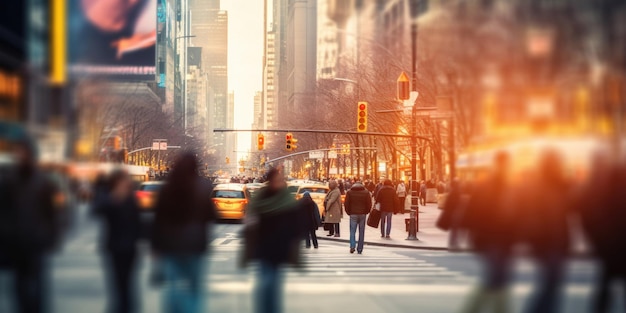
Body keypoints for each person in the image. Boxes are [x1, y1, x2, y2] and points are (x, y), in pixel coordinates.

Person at [152, 153, 218, 313]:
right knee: (194, 286)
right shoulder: (204, 187)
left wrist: (156, 246)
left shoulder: (167, 187)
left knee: (173, 284)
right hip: (195, 243)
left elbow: (158, 219)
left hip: (171, 244)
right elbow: (211, 216)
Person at [2, 139, 62, 313]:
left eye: (22, 152)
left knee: (37, 286)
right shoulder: (9, 181)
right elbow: (4, 211)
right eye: (17, 152)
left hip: (36, 242)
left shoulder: (43, 182)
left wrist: (51, 236)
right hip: (15, 242)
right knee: (19, 287)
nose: (19, 156)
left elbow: (52, 213)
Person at [241, 167, 304, 313]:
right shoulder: (260, 198)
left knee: (273, 283)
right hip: (263, 246)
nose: (279, 183)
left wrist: (295, 238)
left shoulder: (286, 198)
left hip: (280, 246)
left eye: (280, 180)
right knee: (266, 282)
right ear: (270, 182)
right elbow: (250, 220)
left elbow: (296, 223)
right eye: (276, 180)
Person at [459, 152, 515, 313]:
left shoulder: (509, 187)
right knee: (495, 277)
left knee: (499, 279)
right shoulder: (487, 186)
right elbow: (472, 212)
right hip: (490, 238)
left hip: (504, 240)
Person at [94, 169, 141, 313]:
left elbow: (137, 222)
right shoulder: (108, 197)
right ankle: (120, 307)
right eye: (123, 180)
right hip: (114, 246)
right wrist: (113, 198)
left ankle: (127, 308)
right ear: (115, 182)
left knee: (127, 283)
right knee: (117, 282)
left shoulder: (131, 198)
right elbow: (96, 210)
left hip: (130, 247)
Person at [344, 181, 371, 254]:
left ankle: (352, 246)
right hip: (362, 214)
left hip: (353, 213)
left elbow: (346, 203)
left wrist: (348, 212)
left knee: (352, 231)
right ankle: (360, 248)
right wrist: (366, 211)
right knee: (361, 232)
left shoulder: (349, 192)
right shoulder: (366, 192)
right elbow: (369, 203)